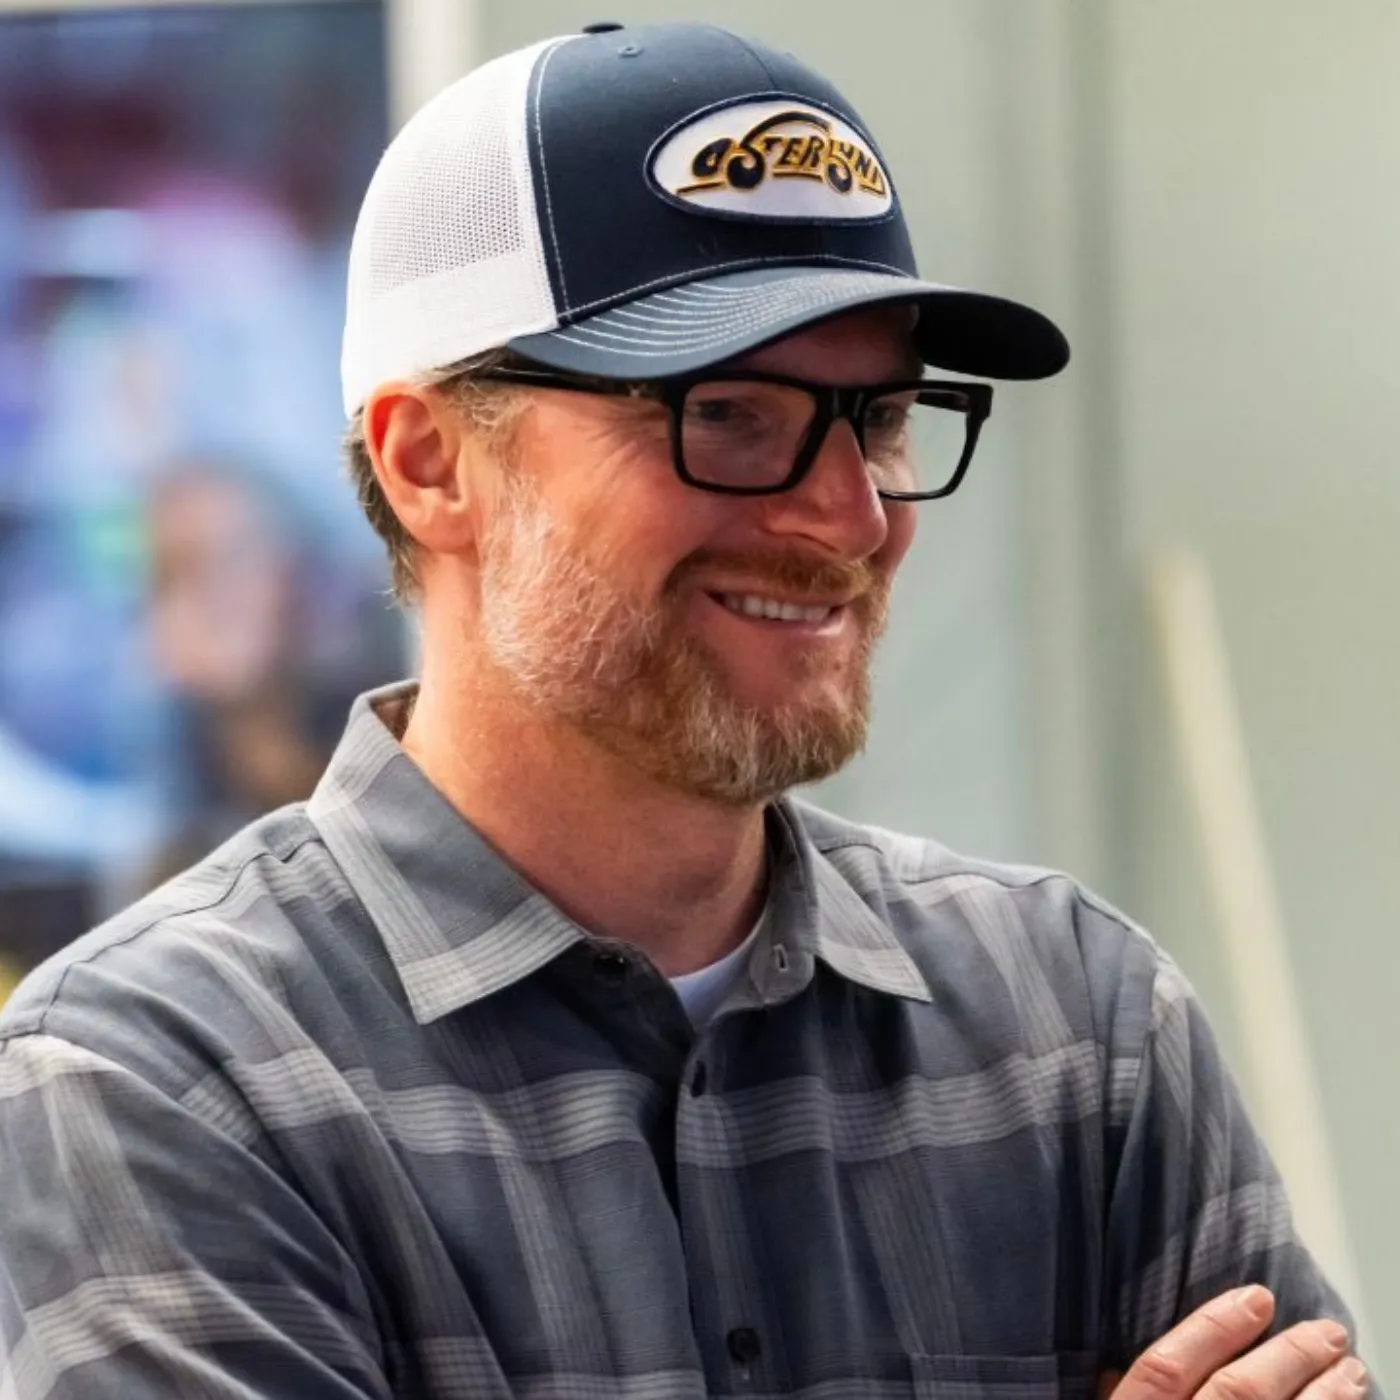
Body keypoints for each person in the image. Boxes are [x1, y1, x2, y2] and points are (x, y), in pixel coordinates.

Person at [0, 21, 1375, 1399]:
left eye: (880, 419)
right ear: (430, 465)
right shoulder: (164, 1077)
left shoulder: (1076, 1023)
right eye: (726, 414)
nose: (852, 517)